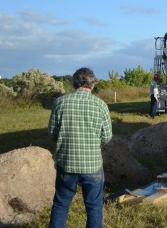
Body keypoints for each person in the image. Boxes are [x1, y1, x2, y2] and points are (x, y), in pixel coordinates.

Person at [47, 67, 112, 228]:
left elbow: (53, 132)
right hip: (92, 165)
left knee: (61, 203)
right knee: (94, 206)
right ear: (93, 85)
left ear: (74, 83)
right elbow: (107, 136)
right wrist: (94, 146)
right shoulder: (100, 105)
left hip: (66, 163)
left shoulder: (60, 102)